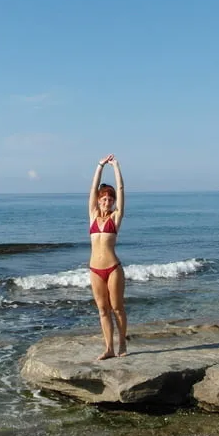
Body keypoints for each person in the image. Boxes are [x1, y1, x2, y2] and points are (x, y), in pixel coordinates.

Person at [88, 154, 127, 360]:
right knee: (103, 310)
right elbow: (93, 189)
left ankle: (122, 343)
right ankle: (108, 348)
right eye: (104, 198)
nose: (107, 201)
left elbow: (120, 190)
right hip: (95, 269)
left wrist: (116, 167)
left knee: (117, 308)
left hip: (113, 268)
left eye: (110, 199)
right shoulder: (93, 215)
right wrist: (100, 165)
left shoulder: (116, 217)